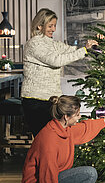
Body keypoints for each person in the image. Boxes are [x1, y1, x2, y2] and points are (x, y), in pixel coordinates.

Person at [21, 8, 98, 137]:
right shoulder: (33, 44)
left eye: (54, 25)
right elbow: (56, 60)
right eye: (50, 26)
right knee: (44, 139)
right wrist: (84, 50)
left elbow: (71, 50)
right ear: (39, 26)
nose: (53, 29)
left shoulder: (53, 43)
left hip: (51, 99)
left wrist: (91, 44)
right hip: (35, 100)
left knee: (54, 138)